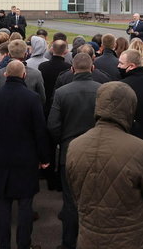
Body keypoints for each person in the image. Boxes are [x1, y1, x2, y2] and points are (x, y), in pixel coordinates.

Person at [66, 81, 143, 248]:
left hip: (90, 237)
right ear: (130, 108)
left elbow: (76, 194)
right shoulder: (141, 150)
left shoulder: (75, 146)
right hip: (131, 238)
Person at [0, 60, 50, 249]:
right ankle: (23, 244)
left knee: (3, 203)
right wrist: (44, 158)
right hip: (26, 158)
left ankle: (3, 244)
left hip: (2, 156)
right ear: (24, 75)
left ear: (5, 75)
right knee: (25, 203)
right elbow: (40, 130)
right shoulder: (32, 98)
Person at [46, 53, 101, 249]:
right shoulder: (101, 90)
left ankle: (69, 243)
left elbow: (53, 125)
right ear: (92, 68)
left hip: (70, 152)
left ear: (72, 69)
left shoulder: (62, 92)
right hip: (96, 150)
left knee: (70, 202)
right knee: (95, 199)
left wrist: (65, 139)